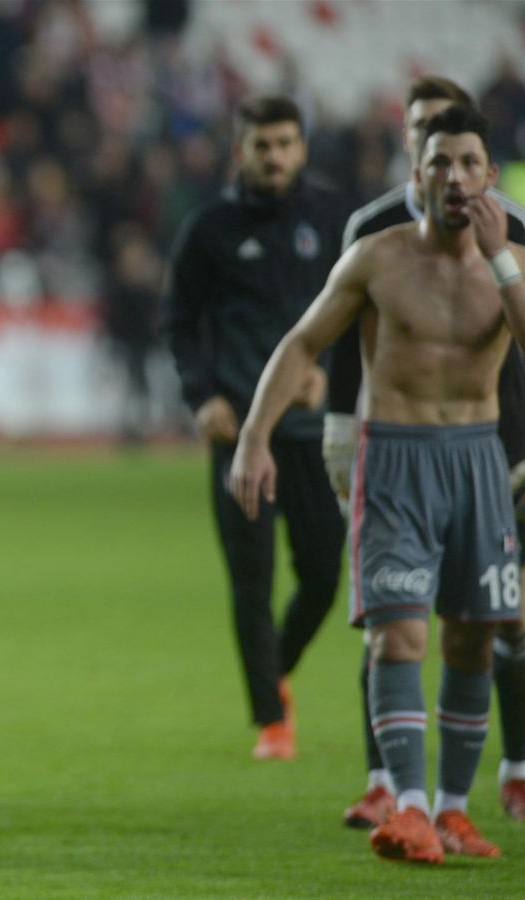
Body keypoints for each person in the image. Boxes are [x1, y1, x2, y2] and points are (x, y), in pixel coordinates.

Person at [230, 105, 525, 863]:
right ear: (418, 174)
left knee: (473, 639)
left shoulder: (514, 259)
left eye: (468, 164)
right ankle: (409, 807)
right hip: (395, 460)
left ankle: (454, 810)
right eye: (439, 163)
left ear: (491, 180)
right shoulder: (376, 259)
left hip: (479, 458)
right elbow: (302, 341)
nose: (453, 177)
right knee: (398, 635)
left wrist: (500, 258)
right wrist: (254, 437)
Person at [325, 76, 525, 828]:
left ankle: (515, 773)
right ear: (412, 148)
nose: (450, 167)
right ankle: (387, 784)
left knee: (504, 618)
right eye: (427, 136)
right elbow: (340, 339)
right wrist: (340, 428)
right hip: (398, 446)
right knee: (390, 616)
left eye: (462, 147)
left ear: (483, 159)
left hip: (495, 446)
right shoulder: (371, 228)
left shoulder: (517, 229)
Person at [160, 95, 347, 761]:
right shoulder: (209, 228)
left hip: (312, 434)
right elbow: (179, 321)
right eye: (261, 145)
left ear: (302, 148)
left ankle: (277, 673)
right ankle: (272, 721)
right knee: (252, 581)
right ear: (240, 150)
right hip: (240, 437)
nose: (274, 157)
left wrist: (330, 374)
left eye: (285, 144)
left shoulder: (331, 220)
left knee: (325, 575)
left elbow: (358, 311)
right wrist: (201, 395)